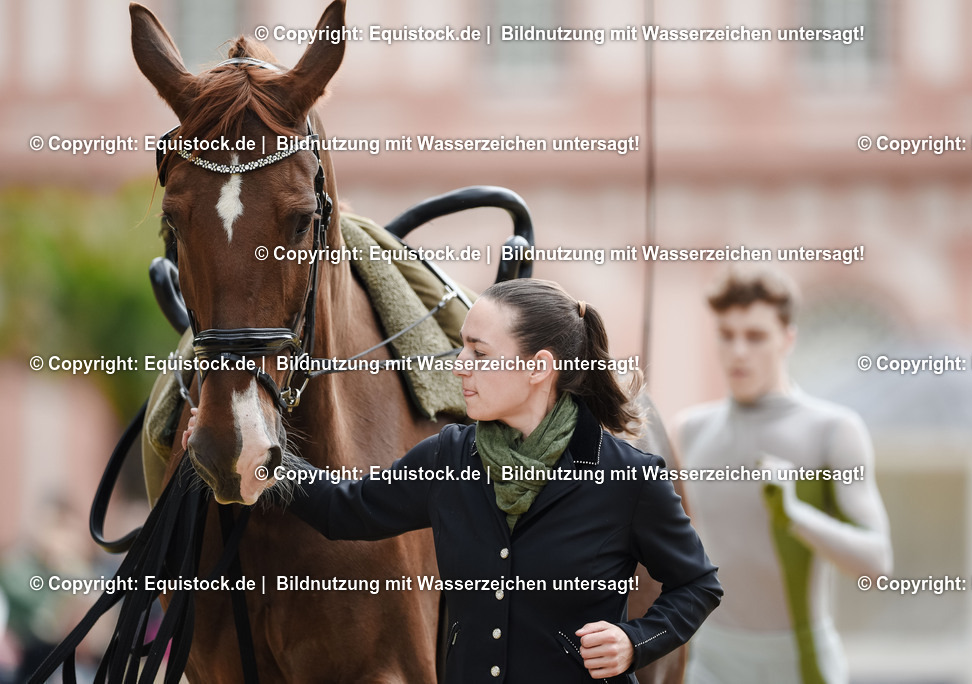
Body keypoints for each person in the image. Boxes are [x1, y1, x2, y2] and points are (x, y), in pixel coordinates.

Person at [184, 278, 722, 683]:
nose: (458, 365)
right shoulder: (450, 458)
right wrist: (263, 458)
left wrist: (635, 641)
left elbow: (697, 585)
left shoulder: (630, 479)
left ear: (539, 368)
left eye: (479, 353)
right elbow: (347, 508)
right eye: (461, 346)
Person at [675, 268, 892, 684]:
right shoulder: (689, 431)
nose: (738, 351)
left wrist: (793, 515)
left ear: (788, 338)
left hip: (799, 664)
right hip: (711, 661)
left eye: (755, 336)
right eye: (726, 334)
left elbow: (877, 561)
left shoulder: (833, 430)